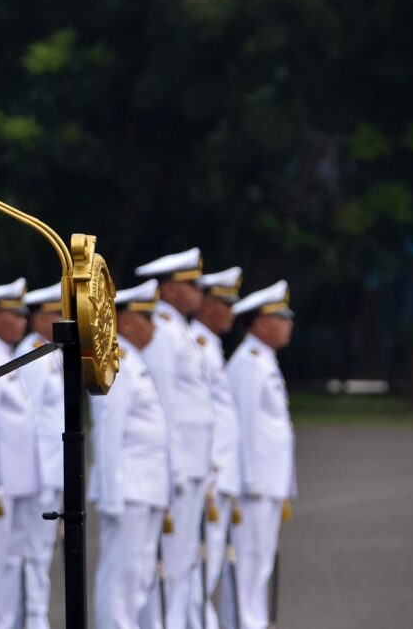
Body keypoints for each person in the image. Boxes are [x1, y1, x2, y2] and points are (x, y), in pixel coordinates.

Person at [135, 247, 213, 629]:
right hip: (179, 464)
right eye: (191, 284)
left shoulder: (179, 330)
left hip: (195, 463)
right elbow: (163, 403)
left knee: (183, 561)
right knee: (169, 561)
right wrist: (174, 467)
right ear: (168, 289)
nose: (199, 291)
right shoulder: (163, 333)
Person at [88, 279, 171, 629]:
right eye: (146, 317)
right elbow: (108, 434)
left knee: (138, 580)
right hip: (127, 491)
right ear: (125, 322)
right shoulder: (116, 364)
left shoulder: (135, 362)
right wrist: (111, 496)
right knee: (120, 583)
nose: (153, 325)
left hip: (145, 490)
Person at [227, 280, 297, 629]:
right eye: (281, 317)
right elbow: (243, 426)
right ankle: (245, 623)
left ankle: (250, 621)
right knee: (249, 562)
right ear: (259, 323)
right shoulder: (248, 363)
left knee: (260, 562)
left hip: (268, 482)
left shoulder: (264, 360)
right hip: (252, 484)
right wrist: (249, 479)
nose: (289, 324)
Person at [0, 278, 43, 629]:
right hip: (1, 482)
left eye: (23, 314)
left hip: (18, 482)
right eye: (14, 314)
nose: (22, 321)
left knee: (11, 565)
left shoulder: (6, 354)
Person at [188, 267, 243, 629]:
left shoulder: (211, 345)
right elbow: (193, 415)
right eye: (225, 303)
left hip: (219, 475)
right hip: (208, 475)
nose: (231, 312)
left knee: (207, 571)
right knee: (196, 571)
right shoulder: (195, 344)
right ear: (207, 304)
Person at [15, 281, 66, 629]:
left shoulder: (51, 353)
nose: (64, 320)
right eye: (56, 314)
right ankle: (34, 622)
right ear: (37, 317)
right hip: (39, 476)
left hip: (53, 474)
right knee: (33, 559)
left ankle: (35, 619)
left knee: (41, 558)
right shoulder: (33, 357)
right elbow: (27, 422)